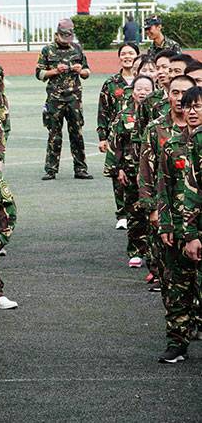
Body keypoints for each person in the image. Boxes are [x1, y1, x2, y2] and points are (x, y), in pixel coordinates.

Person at [149, 78, 198, 363]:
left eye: (198, 106)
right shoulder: (172, 145)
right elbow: (162, 187)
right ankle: (177, 342)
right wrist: (165, 224)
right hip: (178, 228)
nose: (192, 111)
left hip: (198, 228)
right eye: (189, 106)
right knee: (176, 288)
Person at [104, 76, 155, 269]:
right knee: (134, 213)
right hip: (130, 171)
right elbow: (115, 143)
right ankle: (136, 251)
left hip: (153, 173)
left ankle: (154, 253)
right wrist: (117, 169)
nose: (143, 92)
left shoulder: (158, 113)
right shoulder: (124, 115)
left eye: (147, 89)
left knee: (153, 212)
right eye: (139, 88)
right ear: (132, 91)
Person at [36, 18, 93, 180]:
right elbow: (39, 73)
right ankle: (51, 169)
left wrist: (80, 70)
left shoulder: (77, 49)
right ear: (57, 35)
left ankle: (80, 169)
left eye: (69, 37)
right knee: (54, 134)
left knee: (77, 134)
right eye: (63, 37)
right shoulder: (47, 50)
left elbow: (87, 72)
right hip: (55, 98)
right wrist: (55, 71)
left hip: (74, 98)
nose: (66, 40)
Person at [98, 43, 138, 230]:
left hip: (139, 135)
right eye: (124, 54)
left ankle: (139, 211)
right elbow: (103, 111)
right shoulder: (111, 83)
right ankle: (122, 213)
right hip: (117, 136)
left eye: (131, 53)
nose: (127, 57)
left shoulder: (144, 81)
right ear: (119, 57)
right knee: (117, 172)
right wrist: (102, 137)